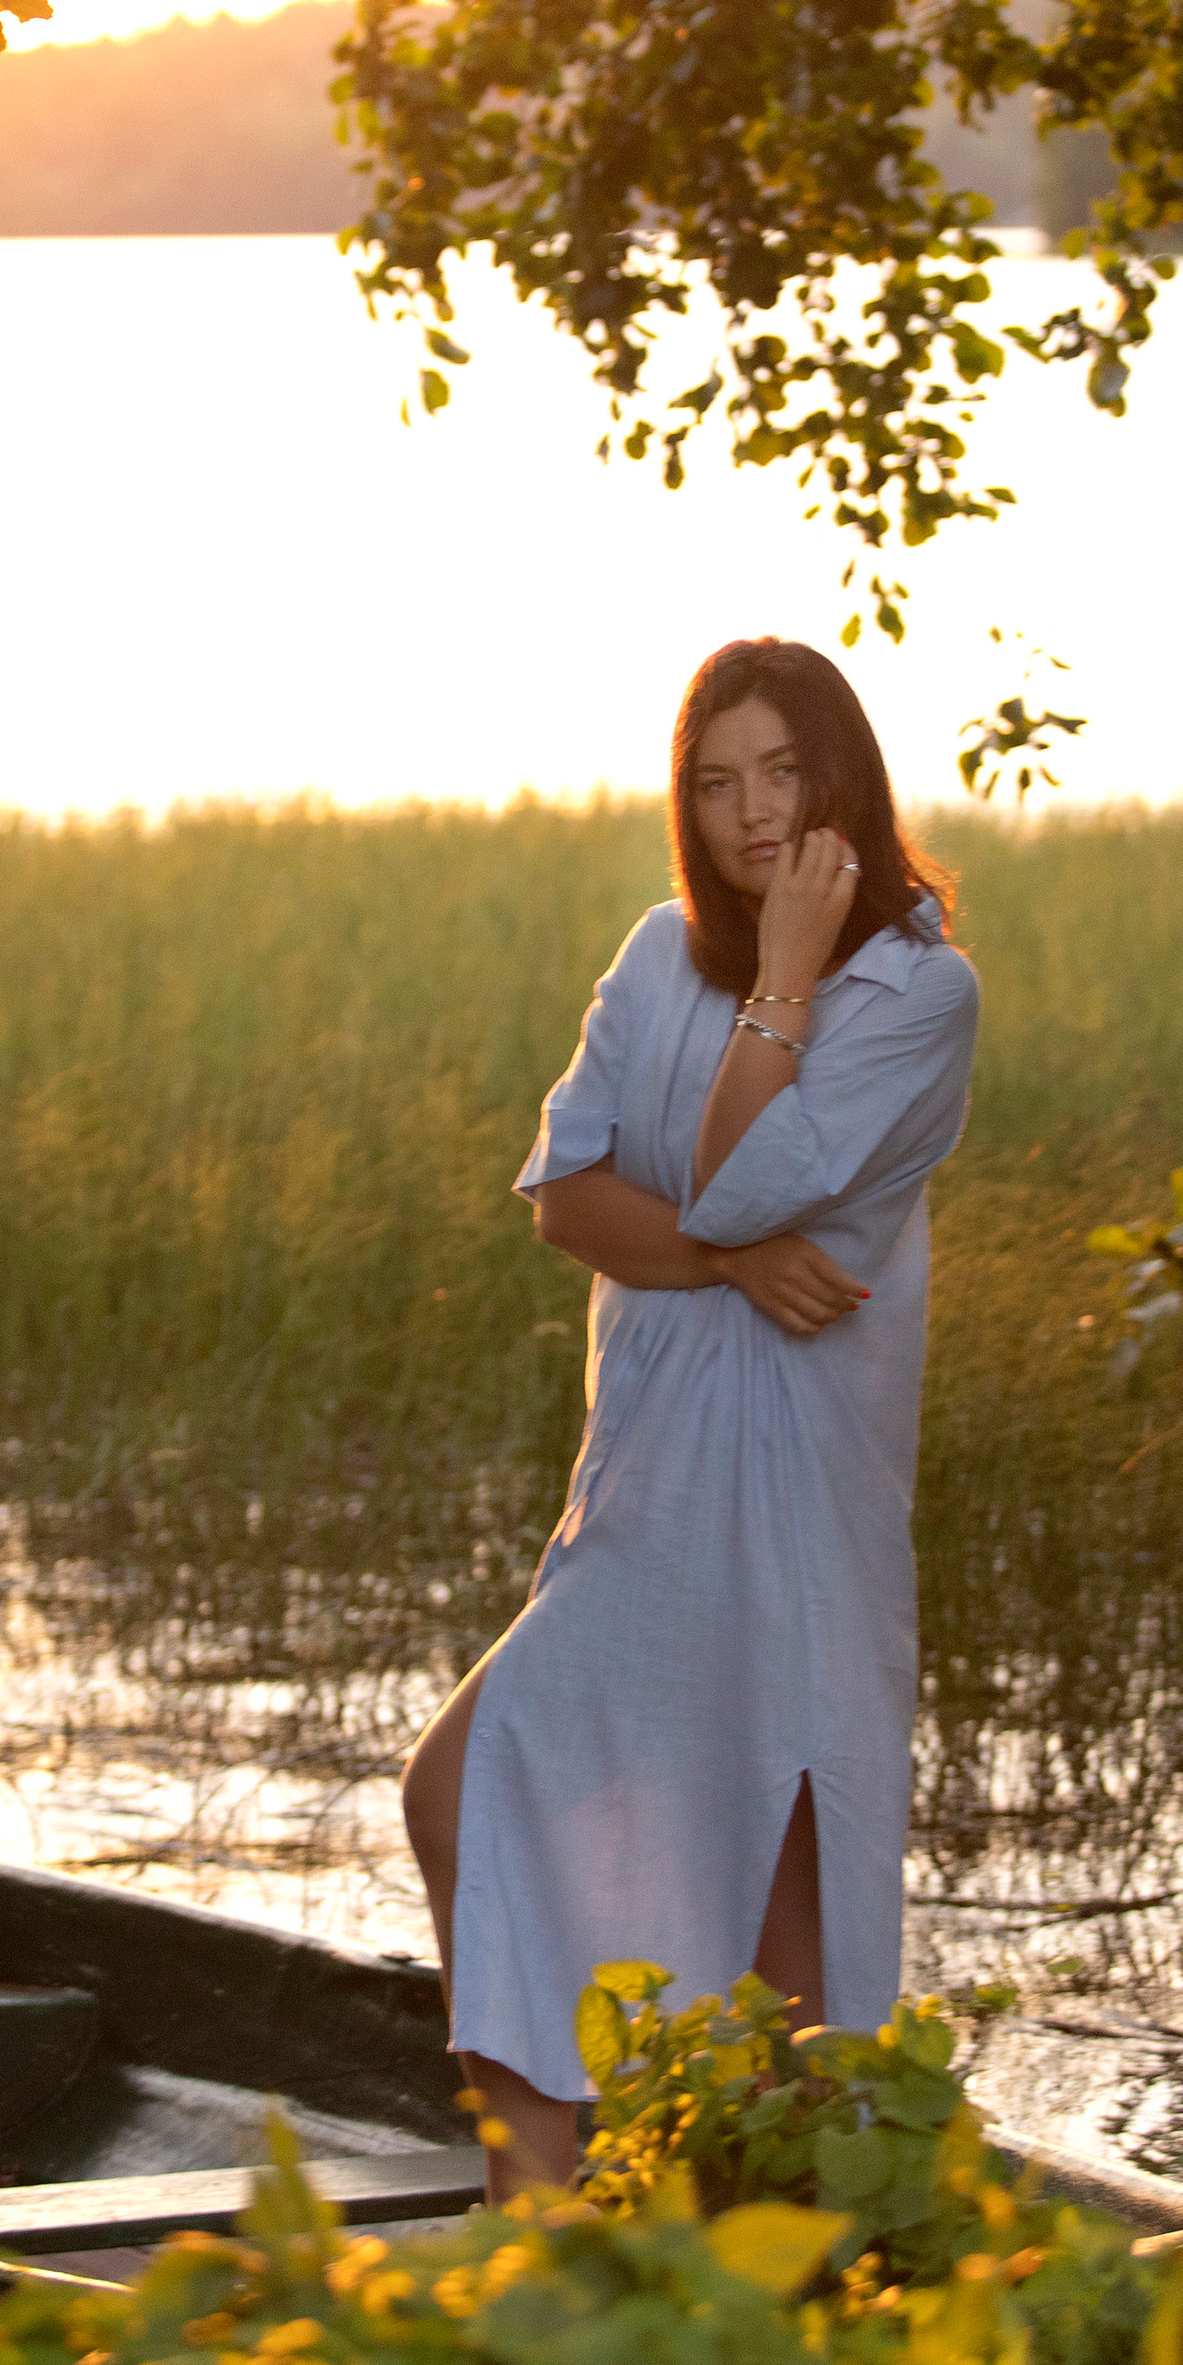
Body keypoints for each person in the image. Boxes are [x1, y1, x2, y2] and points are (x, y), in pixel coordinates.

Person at [402, 636, 978, 2197]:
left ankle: (804, 2256)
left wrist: (787, 977)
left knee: (785, 1887)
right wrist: (724, 1250)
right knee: (464, 1784)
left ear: (844, 777)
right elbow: (568, 1201)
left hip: (799, 1489)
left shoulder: (922, 993)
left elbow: (727, 1170)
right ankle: (544, 2196)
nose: (751, 814)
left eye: (783, 772)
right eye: (717, 782)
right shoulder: (657, 952)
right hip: (647, 1481)